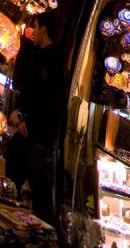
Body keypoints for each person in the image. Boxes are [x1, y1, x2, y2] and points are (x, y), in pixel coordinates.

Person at [6, 13, 65, 227]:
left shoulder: (54, 60)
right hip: (30, 137)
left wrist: (24, 118)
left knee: (40, 200)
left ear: (44, 28)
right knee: (13, 181)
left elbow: (48, 99)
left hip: (36, 138)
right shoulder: (40, 55)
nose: (33, 31)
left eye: (36, 26)